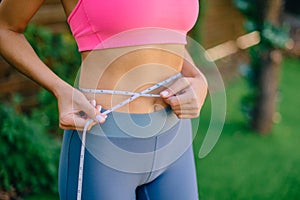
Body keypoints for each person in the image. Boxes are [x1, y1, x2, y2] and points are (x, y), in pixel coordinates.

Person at [0, 0, 208, 199]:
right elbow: (4, 28)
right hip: (103, 133)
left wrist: (198, 79)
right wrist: (60, 89)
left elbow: (166, 31)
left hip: (174, 134)